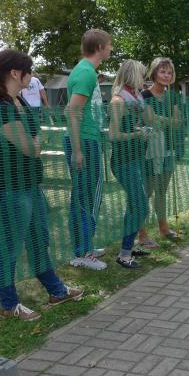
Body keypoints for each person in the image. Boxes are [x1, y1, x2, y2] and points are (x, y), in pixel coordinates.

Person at [0, 49, 82, 321]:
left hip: (30, 184)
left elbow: (32, 142)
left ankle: (56, 291)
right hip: (7, 189)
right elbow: (30, 148)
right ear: (15, 73)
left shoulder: (18, 101)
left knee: (38, 240)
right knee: (9, 247)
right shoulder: (0, 108)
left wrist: (34, 143)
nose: (32, 76)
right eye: (29, 71)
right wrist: (35, 143)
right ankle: (9, 304)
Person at [65, 29, 111, 270]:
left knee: (83, 196)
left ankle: (85, 246)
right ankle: (82, 252)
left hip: (86, 139)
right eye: (109, 45)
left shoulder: (85, 71)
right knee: (87, 197)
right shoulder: (85, 73)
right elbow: (72, 111)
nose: (111, 49)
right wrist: (77, 150)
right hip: (84, 141)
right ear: (100, 47)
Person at [109, 60, 153, 269]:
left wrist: (142, 130)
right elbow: (113, 135)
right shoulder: (118, 100)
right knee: (141, 205)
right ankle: (124, 254)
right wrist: (138, 134)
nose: (144, 78)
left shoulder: (136, 97)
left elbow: (141, 122)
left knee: (134, 205)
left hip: (136, 158)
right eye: (142, 75)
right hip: (123, 161)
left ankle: (128, 248)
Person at [138, 57, 182, 247]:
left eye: (169, 72)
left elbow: (178, 122)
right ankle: (141, 233)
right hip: (149, 150)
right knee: (146, 192)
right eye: (163, 71)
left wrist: (161, 119)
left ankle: (163, 228)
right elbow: (149, 119)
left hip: (169, 148)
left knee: (162, 191)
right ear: (154, 73)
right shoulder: (144, 95)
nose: (166, 75)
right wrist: (167, 120)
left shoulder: (173, 96)